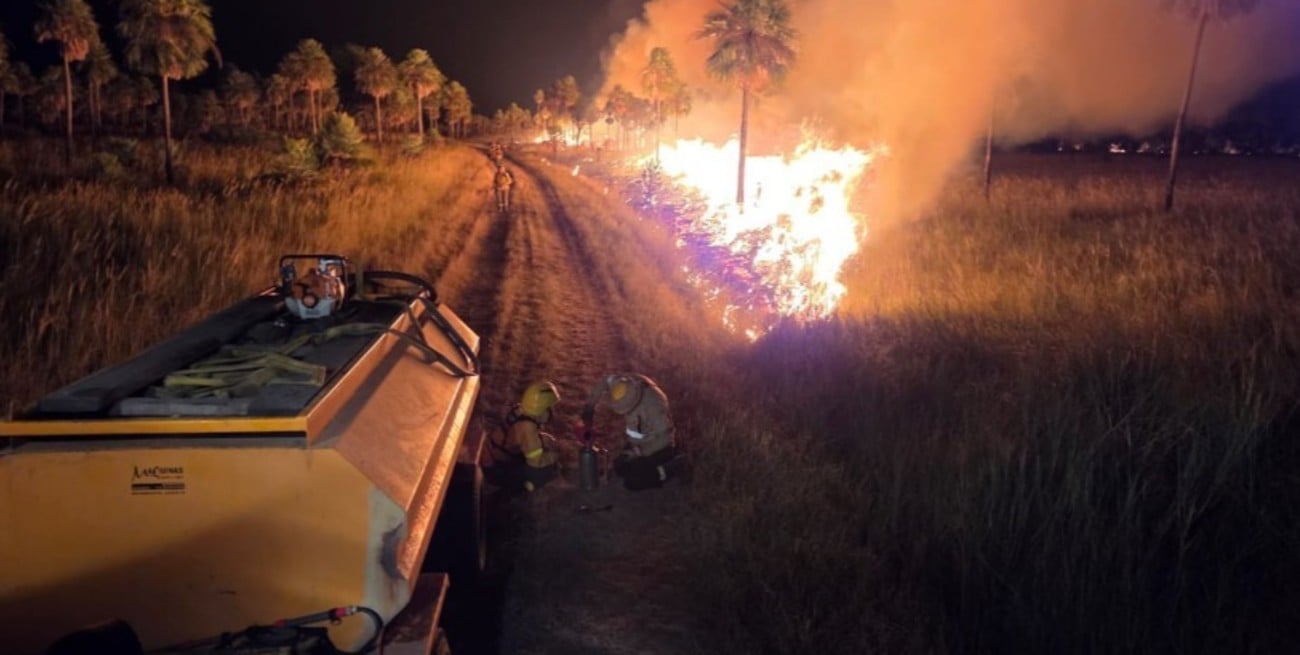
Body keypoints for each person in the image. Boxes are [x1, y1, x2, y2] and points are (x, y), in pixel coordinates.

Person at [578, 373, 675, 490]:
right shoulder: (623, 384)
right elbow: (604, 381)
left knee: (634, 482)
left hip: (659, 446)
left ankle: (671, 467)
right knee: (620, 467)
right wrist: (590, 406)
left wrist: (639, 452)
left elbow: (665, 438)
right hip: (639, 443)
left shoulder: (655, 408)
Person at [506, 380, 561, 492]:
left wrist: (546, 439)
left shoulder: (522, 412)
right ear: (541, 410)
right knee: (543, 471)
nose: (552, 412)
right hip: (500, 468)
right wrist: (554, 457)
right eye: (549, 408)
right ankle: (526, 486)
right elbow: (536, 461)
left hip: (501, 456)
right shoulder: (528, 429)